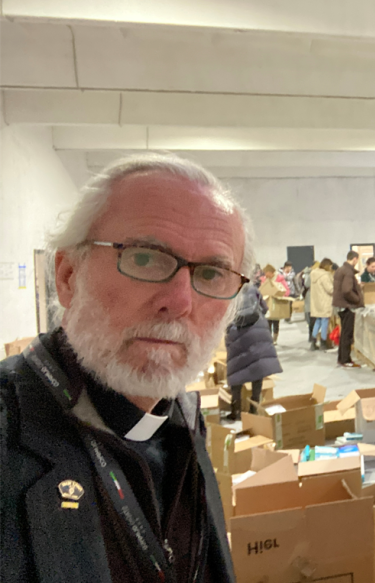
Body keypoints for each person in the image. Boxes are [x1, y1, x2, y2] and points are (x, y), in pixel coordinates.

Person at [0, 154, 243, 582]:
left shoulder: (185, 422)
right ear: (68, 275)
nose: (180, 303)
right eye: (145, 259)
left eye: (211, 273)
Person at [224, 284, 282, 421]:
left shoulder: (228, 290)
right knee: (257, 371)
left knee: (236, 371)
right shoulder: (252, 289)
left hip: (236, 330)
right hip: (257, 329)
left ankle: (236, 411)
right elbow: (265, 308)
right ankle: (254, 409)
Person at [333, 251, 364, 367]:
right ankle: (345, 360)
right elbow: (347, 290)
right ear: (355, 259)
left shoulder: (340, 270)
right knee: (347, 334)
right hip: (347, 306)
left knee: (344, 333)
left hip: (340, 305)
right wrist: (357, 299)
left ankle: (342, 358)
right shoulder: (348, 272)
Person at [310, 259, 335, 351]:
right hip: (325, 301)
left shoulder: (314, 274)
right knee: (325, 322)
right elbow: (330, 289)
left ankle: (313, 342)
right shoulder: (324, 276)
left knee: (318, 321)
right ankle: (323, 342)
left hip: (317, 302)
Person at [302, 261, 318, 339]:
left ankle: (312, 336)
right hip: (310, 297)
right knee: (312, 318)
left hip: (311, 298)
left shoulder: (307, 273)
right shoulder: (310, 273)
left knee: (312, 318)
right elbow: (307, 284)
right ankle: (312, 336)